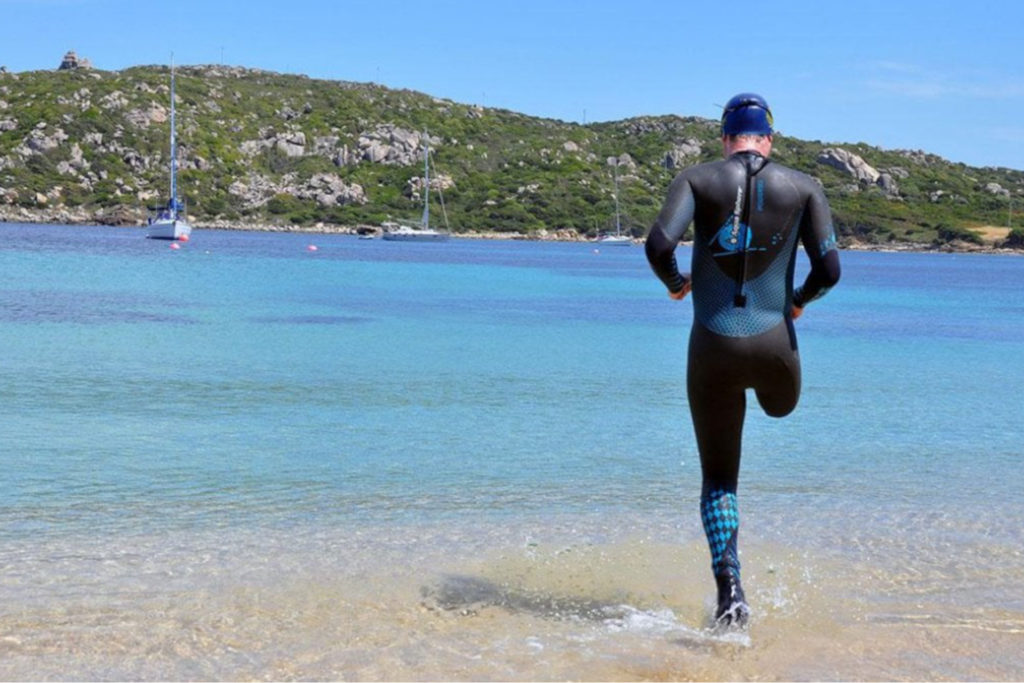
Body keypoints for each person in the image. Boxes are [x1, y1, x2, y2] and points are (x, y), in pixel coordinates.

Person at [644, 93, 841, 628]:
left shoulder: (696, 179)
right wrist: (797, 301)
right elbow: (830, 270)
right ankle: (770, 390)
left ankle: (730, 588)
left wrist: (678, 284)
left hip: (712, 349)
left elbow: (659, 245)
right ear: (769, 139)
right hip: (776, 350)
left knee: (720, 481)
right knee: (778, 409)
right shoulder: (804, 187)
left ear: (725, 137)